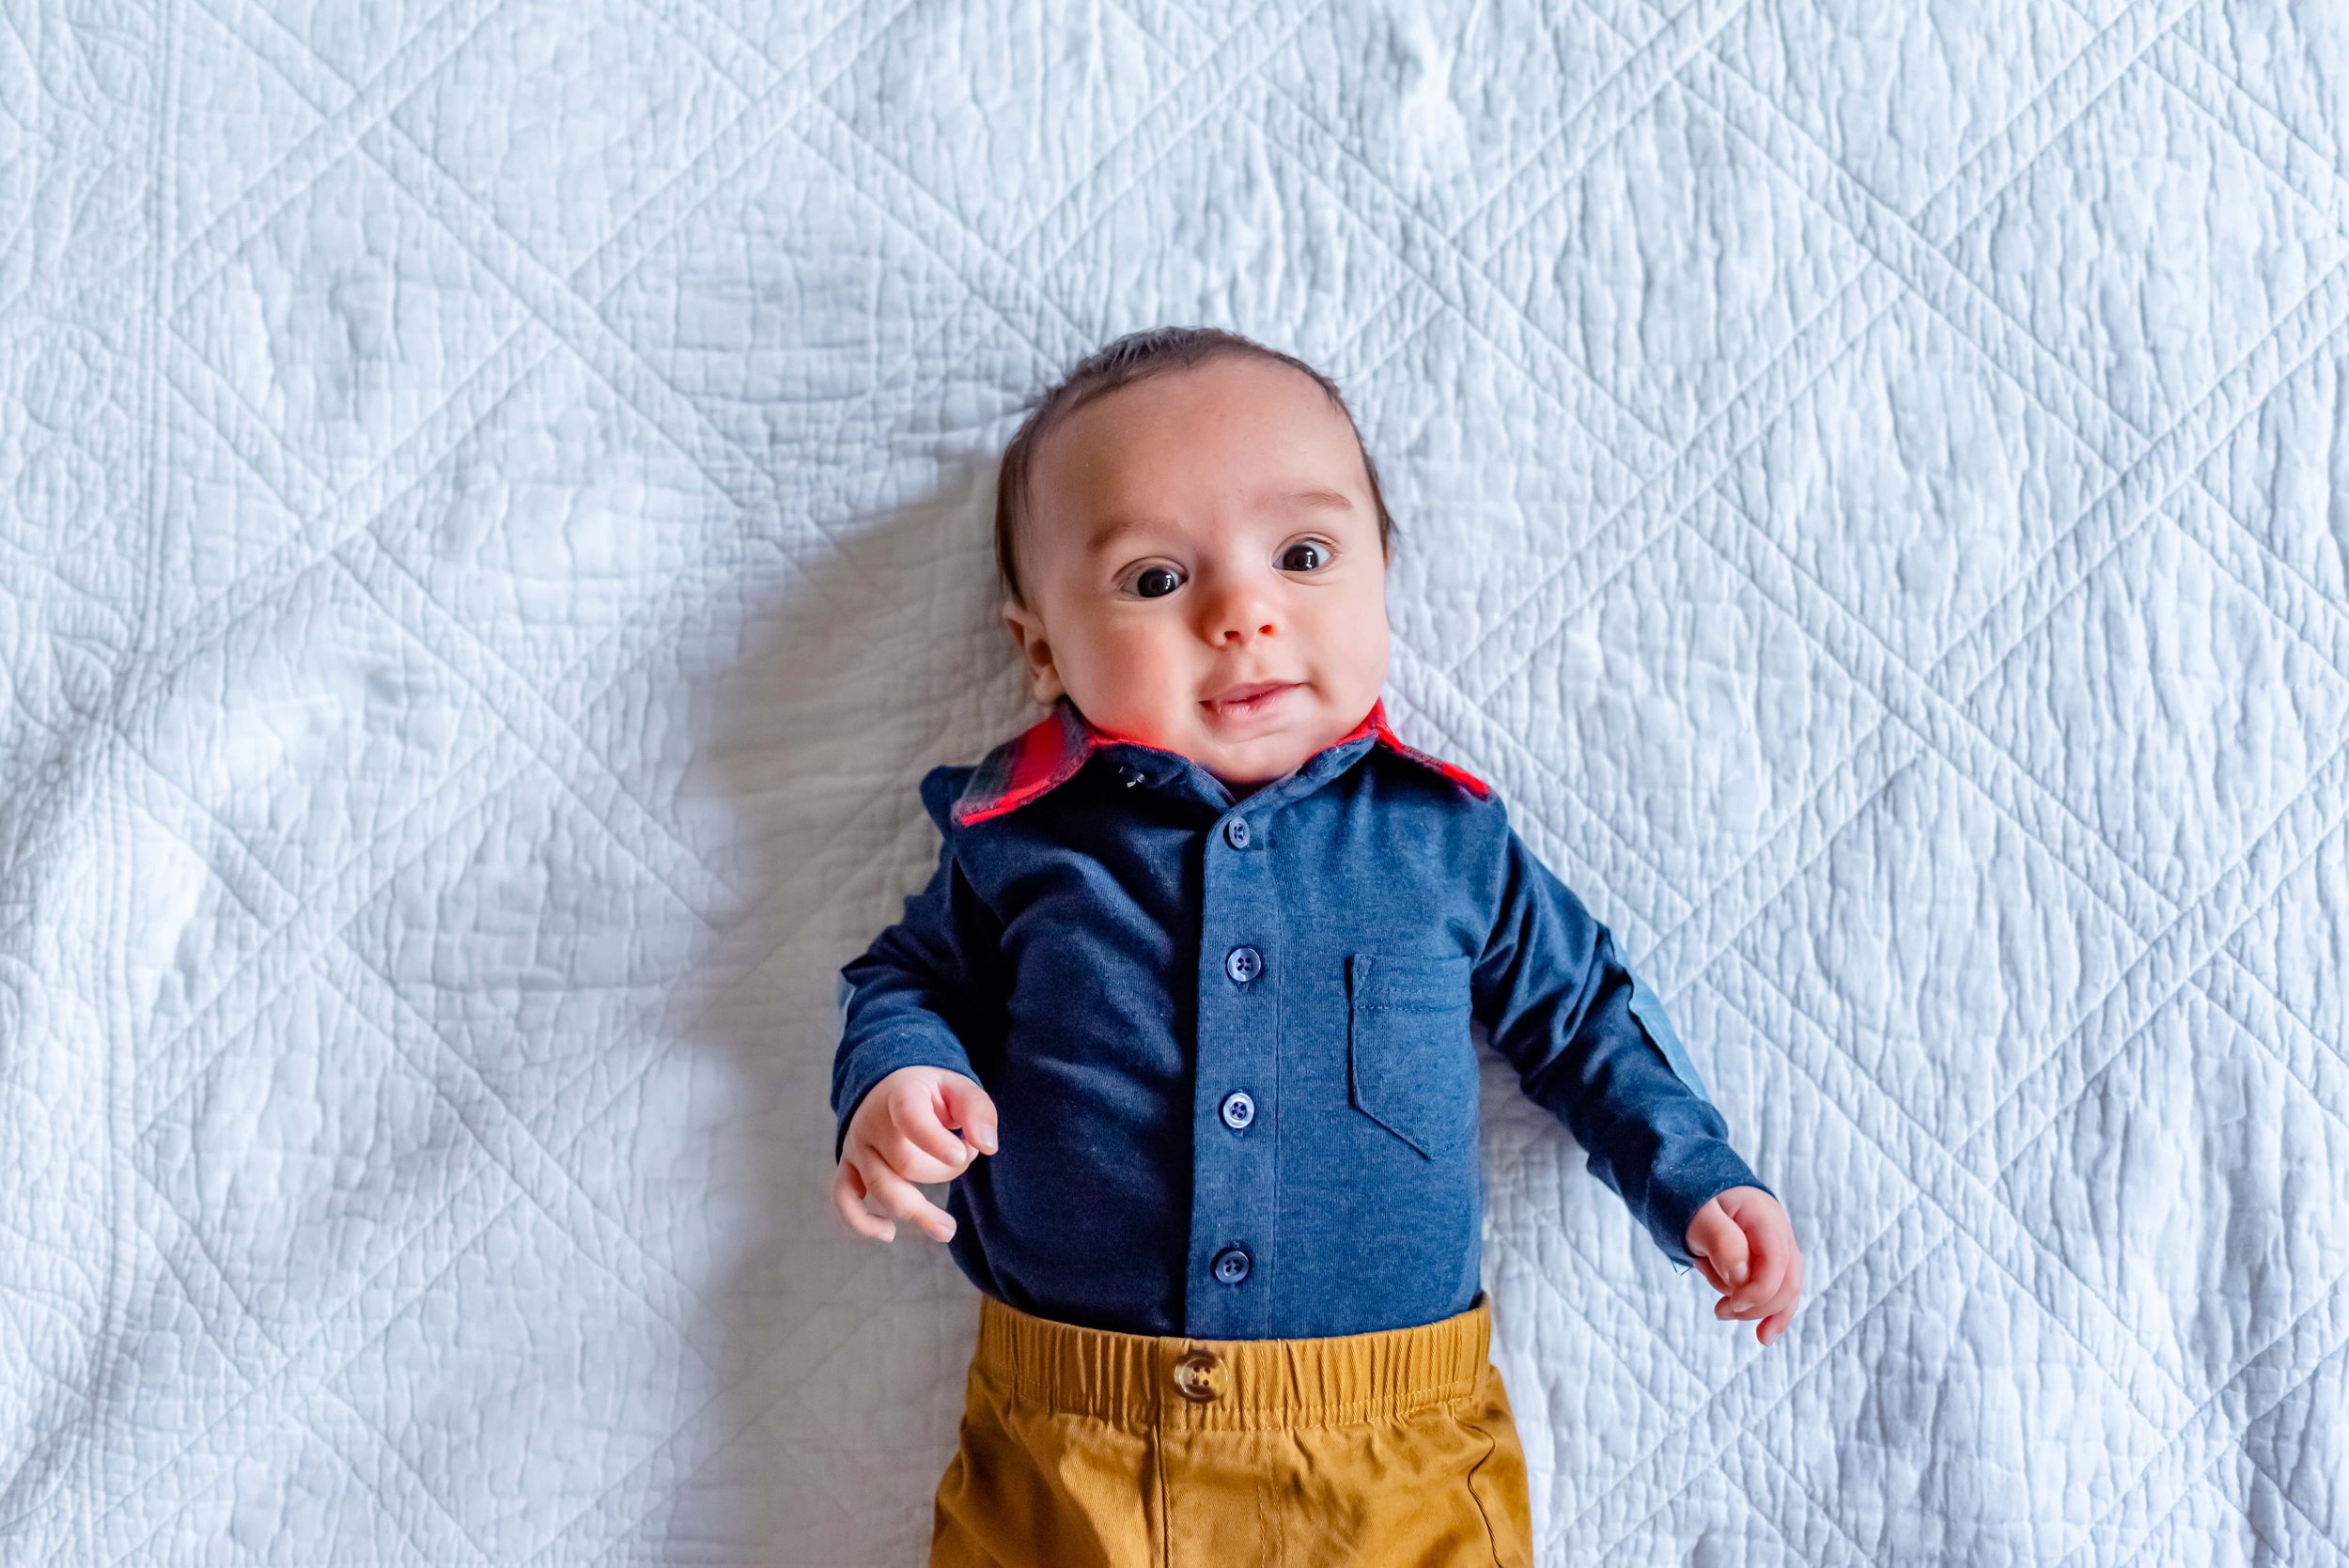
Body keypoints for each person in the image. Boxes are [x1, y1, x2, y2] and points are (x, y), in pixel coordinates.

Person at [829, 326, 1803, 1566]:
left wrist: (1696, 1175)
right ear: (1040, 650)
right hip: (1070, 1448)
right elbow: (903, 979)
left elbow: (1584, 1019)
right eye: (1153, 580)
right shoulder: (1020, 840)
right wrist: (897, 1079)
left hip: (1391, 1460)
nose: (1244, 612)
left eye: (1303, 554)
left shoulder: (1443, 837)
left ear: (1380, 574)